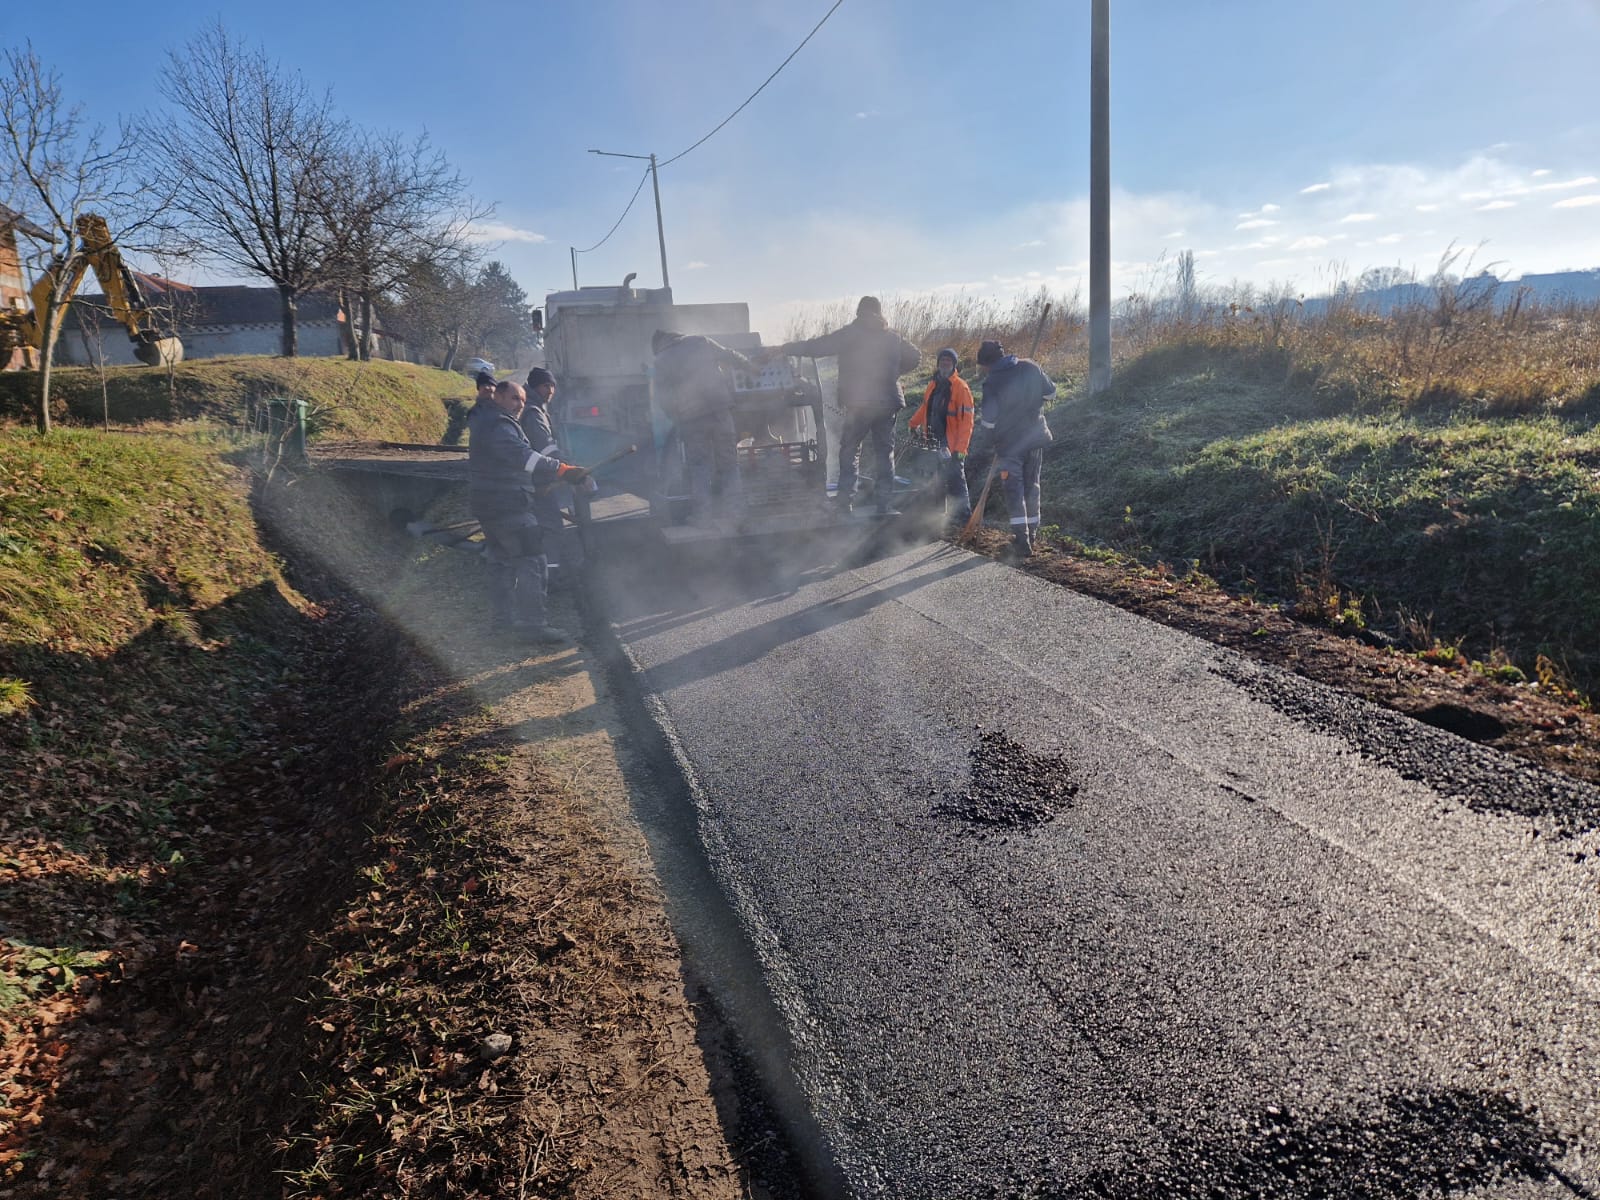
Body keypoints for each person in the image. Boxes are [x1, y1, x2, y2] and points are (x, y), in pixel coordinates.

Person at [774, 295, 920, 515]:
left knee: (850, 452)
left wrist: (786, 348)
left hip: (859, 402)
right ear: (879, 312)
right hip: (887, 402)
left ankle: (845, 504)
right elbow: (916, 356)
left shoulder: (851, 334)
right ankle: (884, 505)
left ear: (859, 312)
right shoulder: (892, 337)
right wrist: (893, 374)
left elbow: (817, 346)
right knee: (884, 454)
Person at [466, 379, 588, 643]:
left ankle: (503, 624)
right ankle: (533, 627)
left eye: (522, 400)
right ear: (498, 397)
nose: (520, 405)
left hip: (488, 504)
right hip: (507, 505)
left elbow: (505, 463)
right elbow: (523, 456)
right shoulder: (499, 424)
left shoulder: (483, 419)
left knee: (500, 564)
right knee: (532, 562)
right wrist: (563, 470)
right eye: (514, 399)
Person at [651, 329, 754, 525]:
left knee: (699, 467)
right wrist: (751, 366)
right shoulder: (700, 341)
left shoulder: (660, 360)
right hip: (721, 413)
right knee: (730, 465)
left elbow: (662, 398)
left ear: (658, 346)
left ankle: (703, 517)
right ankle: (736, 513)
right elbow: (730, 355)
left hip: (692, 419)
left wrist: (675, 416)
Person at [974, 339, 1054, 559]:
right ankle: (1033, 535)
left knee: (1014, 492)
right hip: (1035, 439)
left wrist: (990, 441)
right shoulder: (1030, 366)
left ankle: (1022, 540)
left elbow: (988, 421)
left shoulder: (992, 381)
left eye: (983, 366)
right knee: (1032, 487)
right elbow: (1050, 394)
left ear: (987, 363)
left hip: (1010, 445)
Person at [908, 347, 974, 530]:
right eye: (942, 360)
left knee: (956, 482)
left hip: (951, 445)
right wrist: (913, 423)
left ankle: (964, 519)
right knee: (935, 480)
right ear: (938, 363)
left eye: (948, 361)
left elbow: (967, 422)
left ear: (954, 364)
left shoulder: (961, 387)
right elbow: (925, 408)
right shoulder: (933, 384)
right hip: (933, 441)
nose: (945, 363)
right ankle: (937, 516)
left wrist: (961, 449)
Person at [519, 366, 574, 580]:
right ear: (534, 387)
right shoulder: (533, 412)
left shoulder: (535, 407)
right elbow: (545, 448)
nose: (550, 390)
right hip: (536, 480)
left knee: (543, 525)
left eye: (552, 385)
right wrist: (567, 468)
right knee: (551, 527)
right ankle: (550, 575)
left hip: (534, 478)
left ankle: (544, 571)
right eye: (545, 385)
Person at [443, 369, 495, 446]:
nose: (487, 387)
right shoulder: (474, 412)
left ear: (495, 388)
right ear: (479, 389)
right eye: (483, 385)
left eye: (490, 384)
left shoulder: (503, 407)